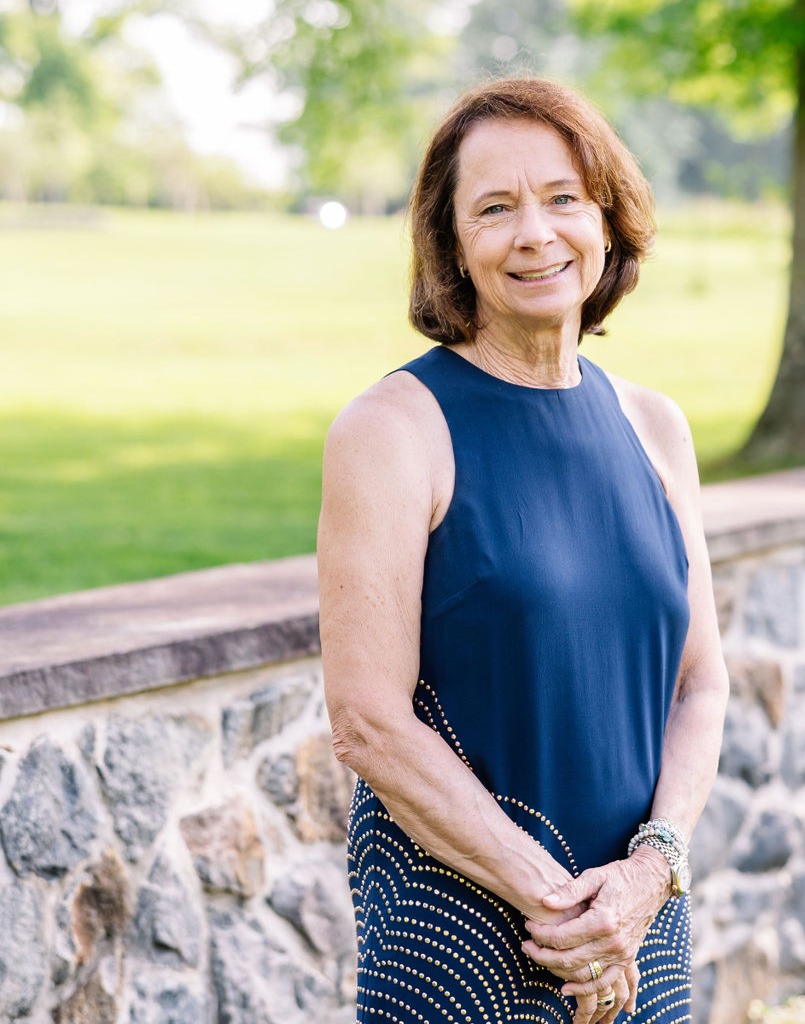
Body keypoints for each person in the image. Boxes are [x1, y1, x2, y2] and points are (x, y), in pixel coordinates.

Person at [318, 77, 730, 1024]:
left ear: (606, 219)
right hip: (464, 936)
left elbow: (701, 684)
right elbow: (368, 721)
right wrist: (565, 910)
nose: (535, 233)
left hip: (640, 929)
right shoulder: (393, 430)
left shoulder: (656, 427)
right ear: (452, 245)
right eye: (495, 209)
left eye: (562, 199)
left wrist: (645, 877)